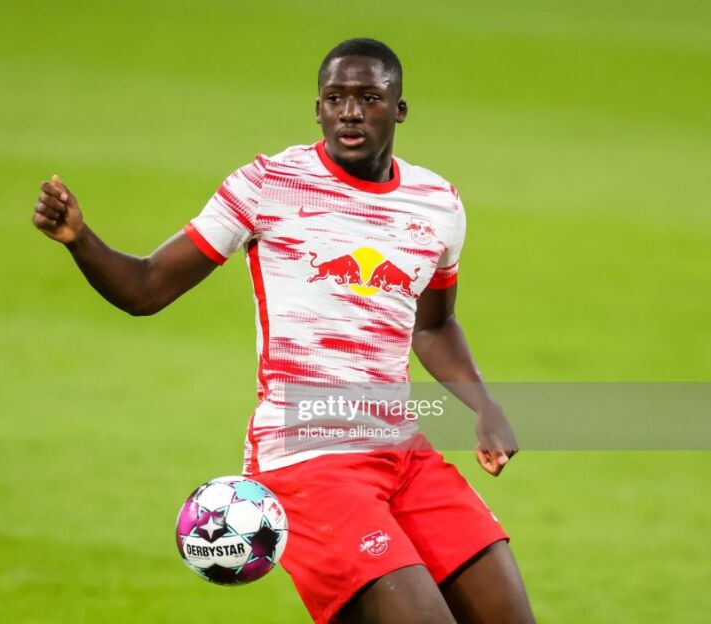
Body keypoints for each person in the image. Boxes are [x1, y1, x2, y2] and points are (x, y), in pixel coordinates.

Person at [32, 37, 536, 624]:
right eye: (335, 98)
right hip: (307, 460)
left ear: (399, 110)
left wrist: (483, 404)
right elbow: (145, 287)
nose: (350, 112)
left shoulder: (437, 204)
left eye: (369, 98)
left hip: (404, 455)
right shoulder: (268, 186)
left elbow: (435, 325)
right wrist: (80, 239)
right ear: (318, 109)